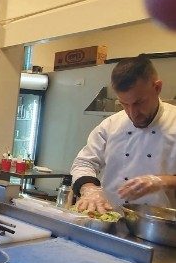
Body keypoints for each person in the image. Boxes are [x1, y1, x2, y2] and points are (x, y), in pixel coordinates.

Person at [71, 55, 176, 213]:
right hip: (110, 219)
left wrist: (163, 181)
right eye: (124, 104)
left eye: (139, 103)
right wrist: (90, 188)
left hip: (160, 228)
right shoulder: (111, 125)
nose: (133, 113)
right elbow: (84, 163)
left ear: (157, 88)